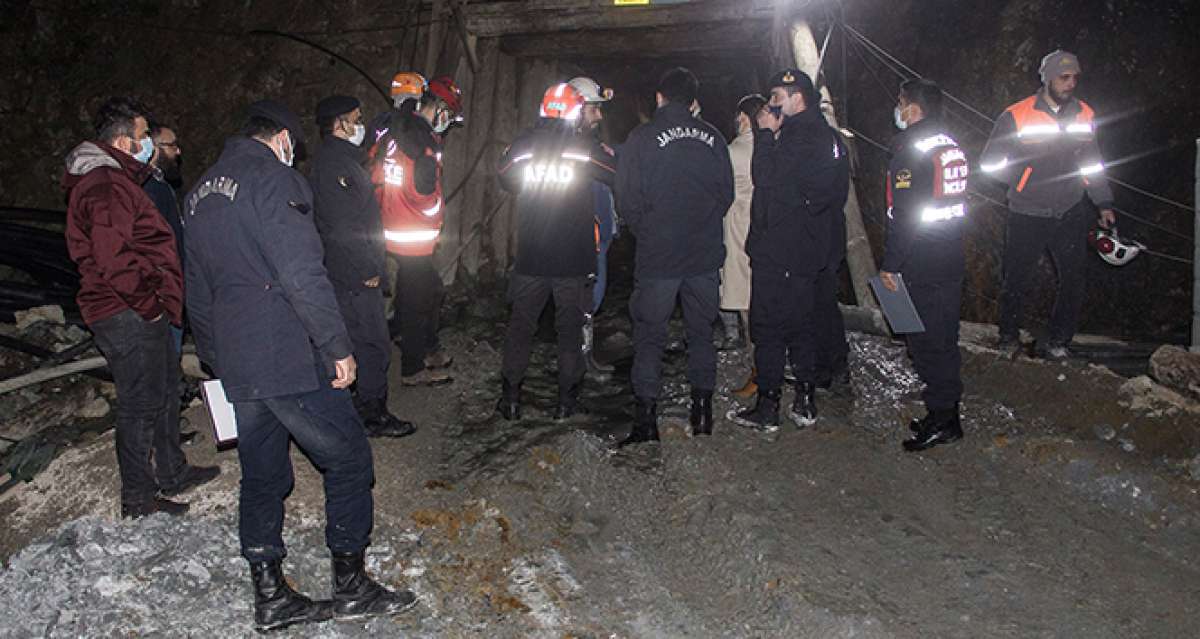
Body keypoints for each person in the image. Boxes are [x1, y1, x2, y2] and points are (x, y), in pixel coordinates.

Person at [184, 100, 416, 631]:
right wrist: (336, 345)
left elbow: (195, 288)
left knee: (262, 474)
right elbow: (302, 272)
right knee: (350, 457)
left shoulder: (198, 193)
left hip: (239, 359)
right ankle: (351, 585)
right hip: (286, 351)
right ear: (282, 138)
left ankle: (270, 596)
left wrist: (217, 359)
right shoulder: (274, 181)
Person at [63, 97, 218, 520]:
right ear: (123, 141)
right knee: (139, 403)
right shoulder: (105, 184)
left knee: (166, 389)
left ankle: (171, 470)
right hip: (126, 311)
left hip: (141, 307)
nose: (150, 142)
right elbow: (113, 259)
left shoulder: (119, 179)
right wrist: (150, 304)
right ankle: (138, 498)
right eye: (144, 135)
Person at [615, 67, 734, 445]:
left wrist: (645, 230)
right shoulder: (714, 138)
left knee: (649, 335)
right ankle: (702, 416)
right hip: (702, 254)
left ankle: (646, 422)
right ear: (694, 100)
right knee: (701, 334)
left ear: (660, 97)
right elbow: (725, 194)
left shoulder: (642, 138)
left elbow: (626, 197)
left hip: (658, 256)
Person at [730, 69, 849, 433]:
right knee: (804, 324)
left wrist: (764, 134)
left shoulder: (798, 137)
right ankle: (806, 400)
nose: (770, 106)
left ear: (798, 99)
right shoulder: (829, 137)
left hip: (782, 250)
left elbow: (766, 178)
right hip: (809, 250)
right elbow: (835, 195)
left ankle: (768, 407)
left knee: (769, 327)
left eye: (777, 97)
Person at [980, 49, 1115, 360]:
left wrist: (1103, 202)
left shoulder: (1085, 114)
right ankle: (1009, 337)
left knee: (1073, 280)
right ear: (1047, 78)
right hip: (1027, 211)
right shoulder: (1016, 115)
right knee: (1016, 278)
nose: (1070, 84)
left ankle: (1058, 342)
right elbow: (989, 164)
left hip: (1069, 209)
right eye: (1063, 77)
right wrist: (1024, 178)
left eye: (1074, 78)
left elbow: (1092, 163)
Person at [495, 83, 616, 420]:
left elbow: (505, 177)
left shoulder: (524, 146)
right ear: (575, 112)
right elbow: (614, 172)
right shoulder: (583, 148)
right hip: (573, 260)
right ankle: (566, 403)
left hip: (532, 257)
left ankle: (511, 400)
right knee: (569, 332)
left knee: (520, 328)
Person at [310, 95, 416, 439]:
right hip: (353, 273)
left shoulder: (342, 160)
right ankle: (372, 413)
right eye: (356, 119)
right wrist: (367, 269)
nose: (361, 124)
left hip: (349, 270)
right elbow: (344, 227)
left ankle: (356, 406)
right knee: (372, 343)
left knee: (360, 339)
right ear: (340, 124)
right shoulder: (335, 166)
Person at [879, 79, 968, 452]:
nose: (897, 110)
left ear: (913, 109)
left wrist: (890, 266)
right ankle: (944, 413)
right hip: (950, 254)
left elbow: (906, 216)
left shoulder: (911, 153)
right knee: (943, 338)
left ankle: (943, 419)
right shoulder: (950, 145)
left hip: (922, 261)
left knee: (929, 344)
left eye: (900, 103)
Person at [372, 76, 464, 386]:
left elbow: (374, 172)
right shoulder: (420, 141)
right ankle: (413, 367)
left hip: (393, 225)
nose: (448, 123)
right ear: (437, 108)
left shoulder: (395, 129)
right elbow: (424, 190)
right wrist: (436, 210)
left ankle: (418, 343)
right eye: (448, 116)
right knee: (419, 297)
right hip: (412, 234)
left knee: (424, 291)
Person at [567, 75, 618, 376]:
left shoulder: (590, 145)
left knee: (591, 297)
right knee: (583, 298)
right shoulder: (574, 148)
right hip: (584, 236)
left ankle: (584, 357)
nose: (599, 115)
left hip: (598, 232)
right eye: (593, 109)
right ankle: (578, 362)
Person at [723, 94, 764, 397]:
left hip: (740, 231)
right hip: (770, 232)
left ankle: (759, 371)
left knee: (750, 307)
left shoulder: (734, 151)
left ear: (746, 117)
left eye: (739, 116)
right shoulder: (774, 146)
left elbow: (718, 192)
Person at [144, 123, 187, 353]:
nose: (177, 151)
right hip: (161, 295)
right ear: (154, 148)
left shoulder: (163, 187)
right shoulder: (148, 190)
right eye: (171, 146)